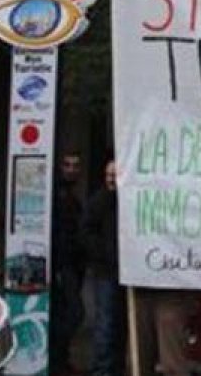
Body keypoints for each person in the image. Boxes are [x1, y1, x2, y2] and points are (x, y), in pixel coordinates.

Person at [84, 160, 124, 376]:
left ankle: (115, 366)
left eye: (114, 175)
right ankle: (102, 369)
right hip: (106, 271)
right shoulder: (98, 202)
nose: (111, 179)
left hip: (125, 272)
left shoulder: (127, 201)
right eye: (108, 174)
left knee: (120, 322)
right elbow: (87, 233)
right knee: (105, 322)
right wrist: (103, 255)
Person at [51, 152, 86, 375]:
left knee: (67, 312)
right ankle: (57, 360)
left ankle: (60, 360)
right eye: (67, 165)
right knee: (72, 312)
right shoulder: (59, 197)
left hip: (71, 263)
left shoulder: (71, 196)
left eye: (75, 165)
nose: (71, 169)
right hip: (62, 264)